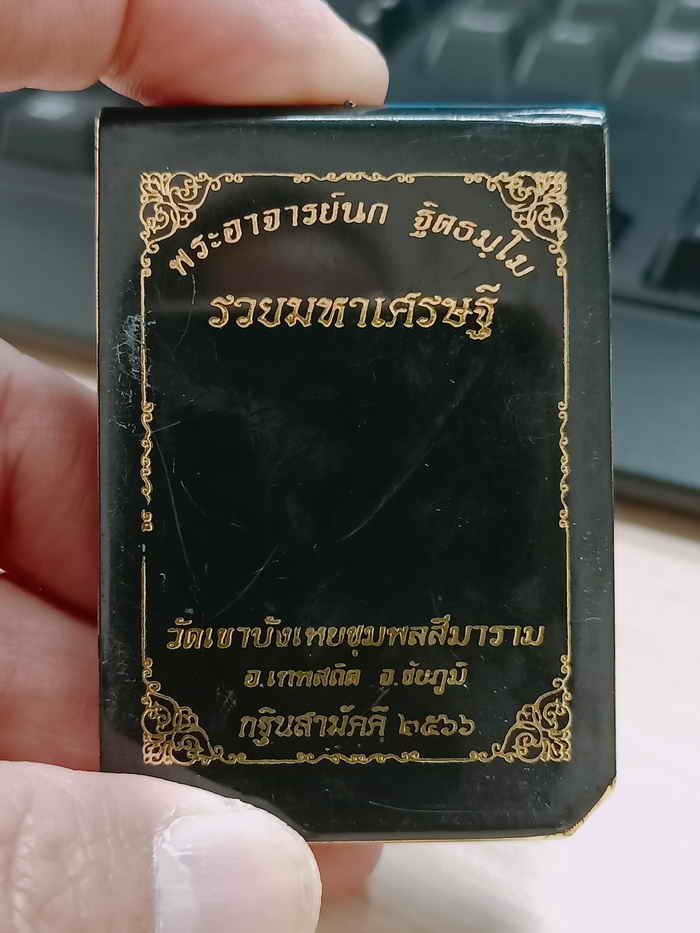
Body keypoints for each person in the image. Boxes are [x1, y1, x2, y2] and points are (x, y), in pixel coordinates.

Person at [0, 2, 388, 931]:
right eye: (247, 345)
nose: (293, 390)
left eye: (333, 344)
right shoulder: (177, 523)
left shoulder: (417, 521)